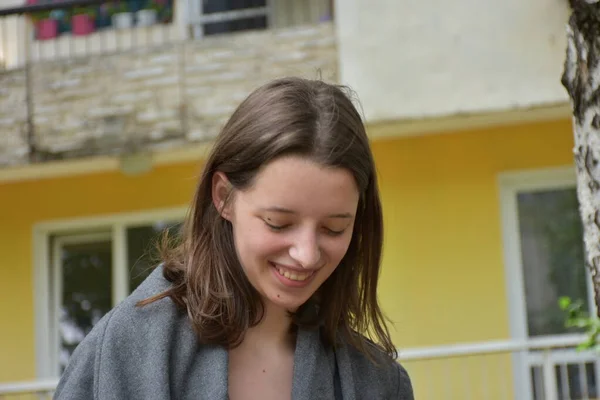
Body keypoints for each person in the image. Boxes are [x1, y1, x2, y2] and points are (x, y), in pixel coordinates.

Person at [54, 77, 414, 399]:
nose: (306, 254)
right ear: (224, 197)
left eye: (334, 228)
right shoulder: (124, 352)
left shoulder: (379, 384)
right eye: (277, 222)